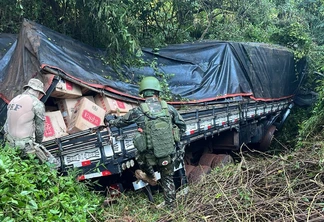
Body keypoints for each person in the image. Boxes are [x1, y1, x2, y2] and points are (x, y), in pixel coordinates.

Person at [105, 76, 186, 209]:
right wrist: (173, 136)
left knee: (138, 153)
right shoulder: (169, 109)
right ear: (158, 92)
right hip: (167, 153)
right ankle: (171, 207)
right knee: (167, 179)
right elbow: (182, 126)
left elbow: (119, 123)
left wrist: (110, 119)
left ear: (143, 93)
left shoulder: (138, 111)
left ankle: (150, 175)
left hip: (149, 158)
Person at [4, 78, 56, 165]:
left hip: (9, 143)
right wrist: (38, 144)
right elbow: (39, 128)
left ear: (28, 88)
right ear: (38, 91)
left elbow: (6, 125)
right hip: (24, 146)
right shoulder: (36, 104)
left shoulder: (13, 100)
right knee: (52, 164)